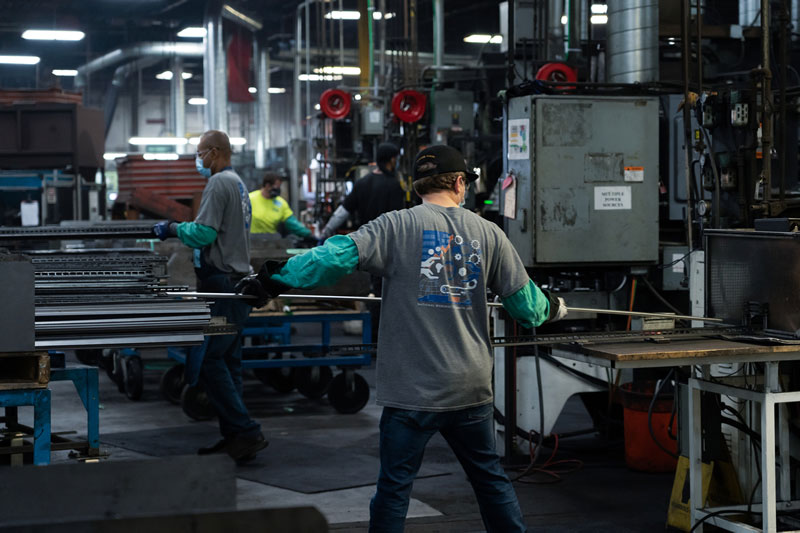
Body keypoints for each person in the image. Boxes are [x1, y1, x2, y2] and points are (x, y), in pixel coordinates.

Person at [238, 144, 567, 531]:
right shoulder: (489, 234)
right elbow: (528, 310)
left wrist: (272, 279)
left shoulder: (394, 226)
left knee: (395, 489)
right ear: (460, 183)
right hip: (469, 388)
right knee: (490, 481)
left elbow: (330, 258)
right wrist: (553, 306)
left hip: (411, 392)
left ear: (416, 185)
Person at [152, 130, 268, 463]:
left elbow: (203, 233)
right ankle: (235, 437)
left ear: (214, 152)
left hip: (223, 289)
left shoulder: (219, 183)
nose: (197, 160)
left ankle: (246, 431)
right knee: (228, 362)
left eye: (199, 153)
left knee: (211, 361)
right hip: (234, 287)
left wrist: (172, 228)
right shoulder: (238, 183)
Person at [320, 142, 407, 340]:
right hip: (390, 247)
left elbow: (342, 212)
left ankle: (374, 335)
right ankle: (385, 336)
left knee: (373, 290)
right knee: (388, 292)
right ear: (392, 159)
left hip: (366, 246)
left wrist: (325, 232)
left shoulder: (362, 183)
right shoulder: (394, 185)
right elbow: (400, 220)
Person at [250, 172, 315, 244]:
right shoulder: (250, 199)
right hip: (251, 241)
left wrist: (308, 234)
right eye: (276, 187)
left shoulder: (281, 203)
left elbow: (292, 223)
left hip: (271, 242)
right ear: (267, 185)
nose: (278, 190)